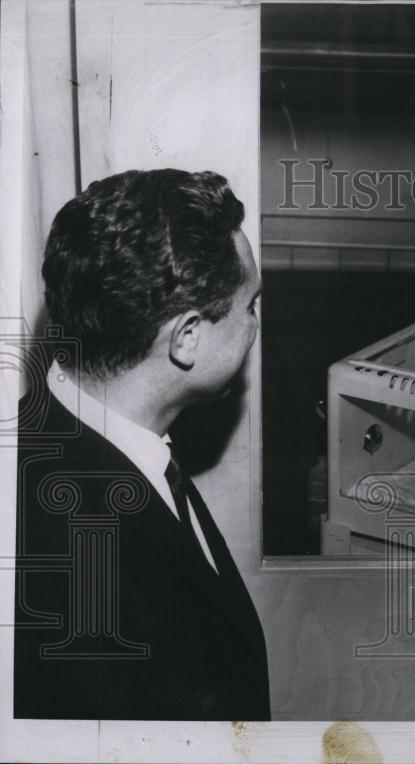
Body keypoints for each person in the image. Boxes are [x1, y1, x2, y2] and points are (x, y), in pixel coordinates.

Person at [14, 170, 270, 720]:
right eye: (250, 305)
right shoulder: (70, 572)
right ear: (187, 338)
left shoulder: (84, 443)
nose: (254, 324)